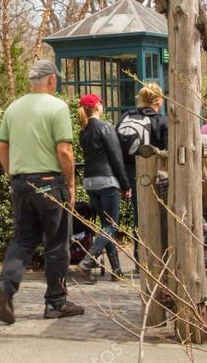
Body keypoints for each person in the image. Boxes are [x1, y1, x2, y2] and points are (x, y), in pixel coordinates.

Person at [0, 59, 82, 323]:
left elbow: (0, 145)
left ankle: (6, 287)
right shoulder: (58, 107)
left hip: (21, 183)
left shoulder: (13, 107)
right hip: (50, 183)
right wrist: (71, 183)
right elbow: (64, 151)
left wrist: (12, 172)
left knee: (22, 240)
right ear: (52, 79)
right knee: (56, 244)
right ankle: (56, 301)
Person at [74, 93, 131, 283]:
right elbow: (116, 157)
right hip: (107, 181)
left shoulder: (83, 132)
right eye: (101, 102)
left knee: (106, 226)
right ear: (97, 106)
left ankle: (116, 270)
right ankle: (87, 262)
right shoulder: (105, 127)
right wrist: (126, 185)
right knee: (111, 225)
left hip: (90, 182)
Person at [116, 83, 168, 269]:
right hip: (153, 175)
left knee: (140, 215)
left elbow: (116, 147)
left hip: (129, 173)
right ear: (159, 100)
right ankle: (157, 258)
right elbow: (168, 151)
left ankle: (140, 258)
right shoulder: (161, 121)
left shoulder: (127, 116)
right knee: (159, 216)